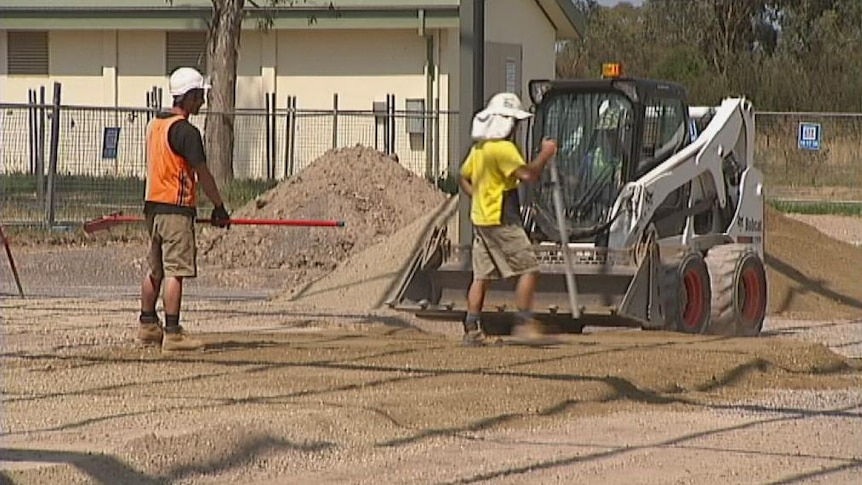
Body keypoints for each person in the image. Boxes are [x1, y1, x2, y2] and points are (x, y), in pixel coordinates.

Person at [136, 67, 231, 352]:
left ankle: (148, 325)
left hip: (153, 208)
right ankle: (173, 333)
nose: (202, 102)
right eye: (200, 96)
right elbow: (203, 174)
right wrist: (219, 207)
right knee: (175, 271)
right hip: (176, 210)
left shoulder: (155, 126)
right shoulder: (187, 132)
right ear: (189, 97)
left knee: (156, 270)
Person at [458, 92, 558, 347]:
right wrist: (545, 154)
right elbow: (529, 175)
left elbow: (463, 177)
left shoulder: (479, 149)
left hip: (481, 219)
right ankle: (524, 324)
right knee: (529, 268)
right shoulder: (504, 149)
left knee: (482, 276)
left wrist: (478, 195)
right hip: (502, 218)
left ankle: (472, 328)